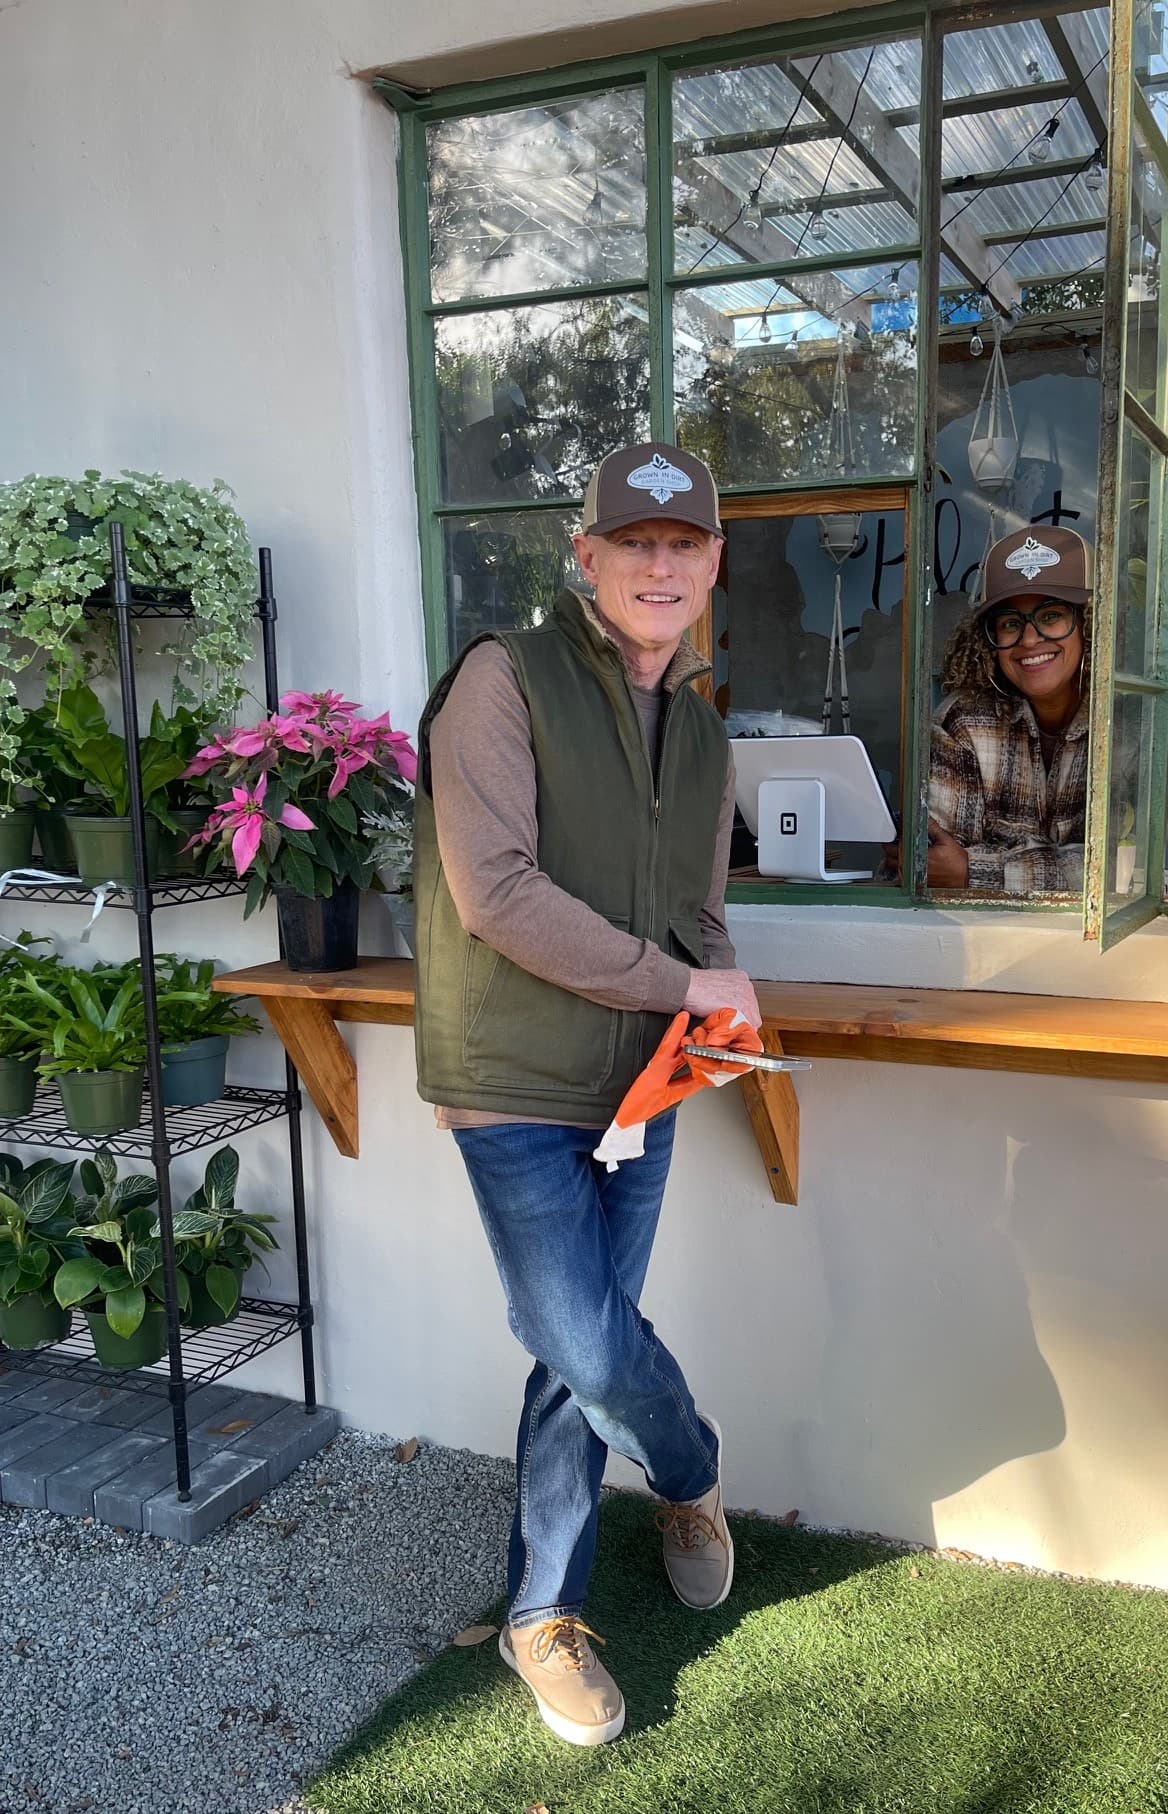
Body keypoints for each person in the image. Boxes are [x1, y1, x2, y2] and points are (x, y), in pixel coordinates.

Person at [411, 441, 760, 1749]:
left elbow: (699, 912)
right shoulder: (503, 679)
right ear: (588, 556)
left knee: (578, 1349)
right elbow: (493, 892)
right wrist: (680, 985)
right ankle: (691, 1471)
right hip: (511, 1078)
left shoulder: (712, 730)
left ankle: (542, 1612)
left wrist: (725, 989)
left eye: (685, 544)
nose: (660, 564)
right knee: (581, 1329)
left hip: (641, 1084)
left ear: (714, 563)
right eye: (636, 542)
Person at [927, 524, 1168, 894]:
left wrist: (977, 870)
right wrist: (1066, 863)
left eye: (1051, 616)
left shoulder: (1141, 728)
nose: (1030, 640)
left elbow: (1121, 870)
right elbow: (937, 861)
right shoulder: (961, 722)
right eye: (1011, 623)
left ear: (1091, 625)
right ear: (989, 641)